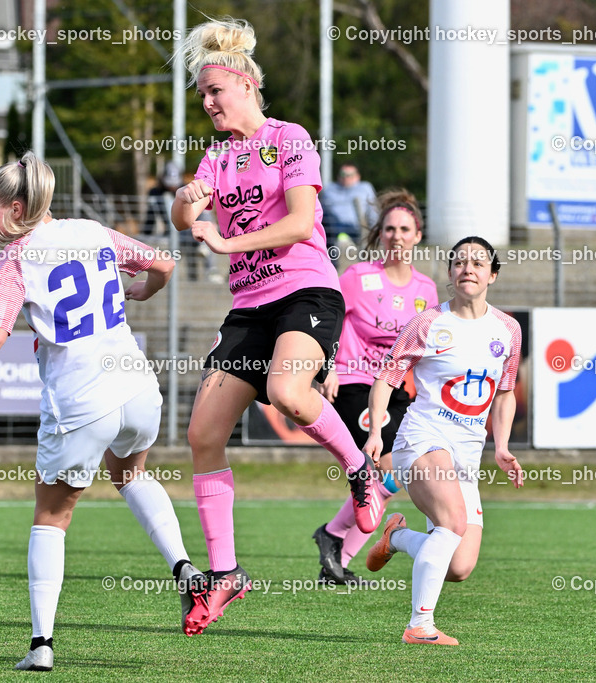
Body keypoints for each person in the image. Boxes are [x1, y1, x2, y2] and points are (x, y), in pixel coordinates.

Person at [0, 151, 207, 671]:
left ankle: (41, 645)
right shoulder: (92, 232)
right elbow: (164, 262)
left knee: (52, 517)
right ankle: (184, 568)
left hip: (81, 397)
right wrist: (145, 291)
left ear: (17, 207)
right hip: (137, 388)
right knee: (130, 475)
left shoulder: (15, 259)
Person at [169, 17, 383, 636]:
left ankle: (360, 472)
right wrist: (187, 201)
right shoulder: (217, 154)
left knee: (291, 395)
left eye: (215, 92)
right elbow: (186, 215)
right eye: (203, 95)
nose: (207, 103)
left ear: (245, 85)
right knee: (202, 434)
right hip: (249, 307)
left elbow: (297, 224)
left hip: (306, 290)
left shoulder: (290, 139)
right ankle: (226, 574)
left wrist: (227, 243)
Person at [363, 236, 525, 646]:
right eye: (459, 262)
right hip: (421, 439)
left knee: (459, 567)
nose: (468, 268)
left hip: (466, 457)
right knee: (452, 523)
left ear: (492, 274)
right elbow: (386, 378)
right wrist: (376, 432)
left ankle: (396, 536)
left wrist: (502, 447)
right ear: (451, 274)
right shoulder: (428, 323)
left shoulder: (507, 330)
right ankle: (420, 626)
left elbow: (504, 393)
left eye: (478, 262)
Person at [312, 189, 439, 586]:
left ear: (417, 235)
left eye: (404, 229)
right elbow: (326, 317)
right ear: (379, 235)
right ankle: (334, 540)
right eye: (389, 229)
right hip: (354, 382)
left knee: (390, 477)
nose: (396, 236)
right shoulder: (358, 277)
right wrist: (325, 367)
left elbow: (426, 348)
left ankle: (335, 552)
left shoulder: (426, 290)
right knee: (381, 468)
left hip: (398, 391)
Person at [320, 163, 378, 244]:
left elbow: (373, 214)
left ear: (358, 176)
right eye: (343, 174)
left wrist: (374, 235)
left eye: (350, 175)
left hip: (358, 232)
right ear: (338, 176)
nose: (346, 177)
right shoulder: (329, 190)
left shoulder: (365, 188)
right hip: (333, 234)